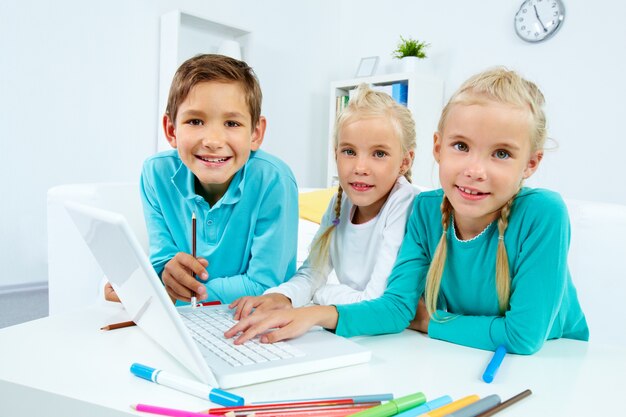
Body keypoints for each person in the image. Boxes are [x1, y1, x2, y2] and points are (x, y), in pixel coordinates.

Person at [225, 67, 589, 355]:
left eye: (502, 153)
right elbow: (400, 307)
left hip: (558, 360)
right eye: (461, 145)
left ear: (531, 163)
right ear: (438, 147)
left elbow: (523, 337)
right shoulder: (427, 209)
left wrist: (427, 320)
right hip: (459, 353)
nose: (475, 170)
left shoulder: (544, 214)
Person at [105, 54, 298, 305]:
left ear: (256, 133)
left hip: (248, 320)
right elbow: (163, 261)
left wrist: (162, 293)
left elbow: (264, 285)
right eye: (195, 121)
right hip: (187, 319)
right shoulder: (156, 174)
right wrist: (157, 280)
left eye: (232, 123)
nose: (213, 141)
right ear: (171, 130)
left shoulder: (274, 180)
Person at [229, 84, 418, 320]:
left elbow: (376, 301)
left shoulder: (405, 201)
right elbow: (312, 273)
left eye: (379, 154)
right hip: (356, 323)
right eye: (349, 151)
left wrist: (319, 296)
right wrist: (282, 296)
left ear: (405, 161)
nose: (360, 168)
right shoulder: (341, 202)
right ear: (335, 152)